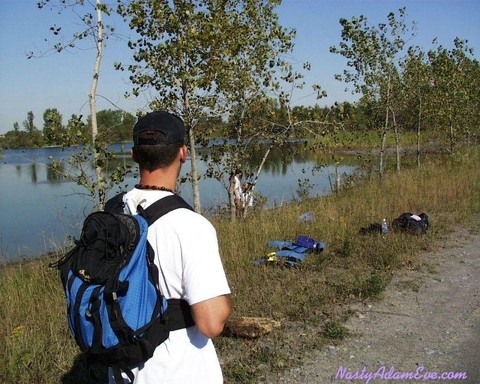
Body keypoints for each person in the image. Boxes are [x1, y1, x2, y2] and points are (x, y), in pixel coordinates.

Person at [110, 111, 232, 384]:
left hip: (123, 368)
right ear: (183, 153)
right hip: (178, 370)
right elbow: (211, 323)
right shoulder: (191, 226)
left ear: (134, 155)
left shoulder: (113, 212)